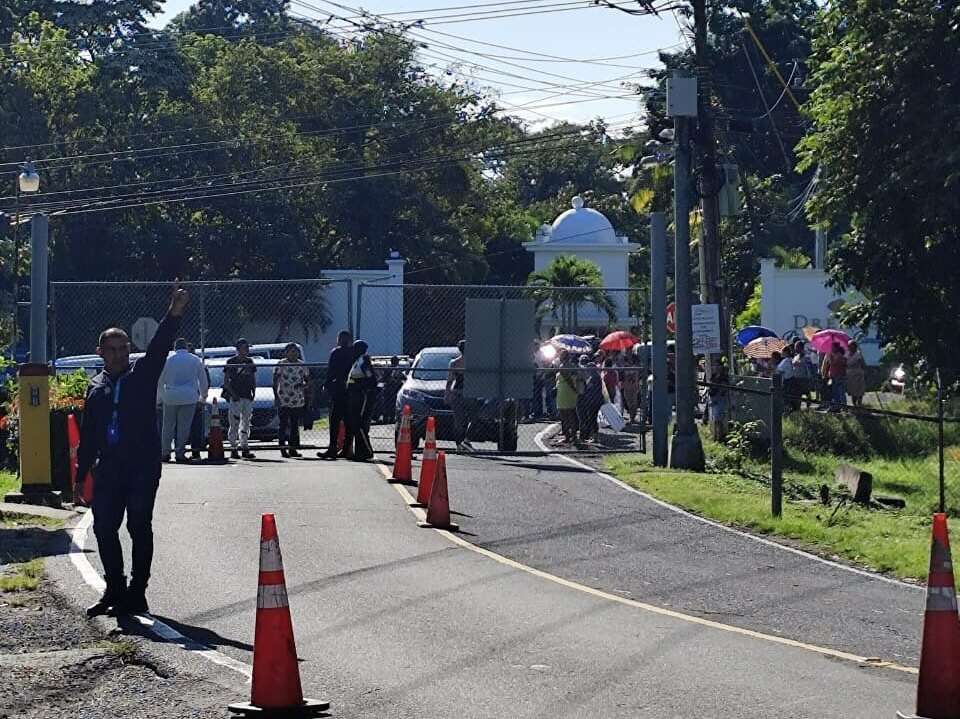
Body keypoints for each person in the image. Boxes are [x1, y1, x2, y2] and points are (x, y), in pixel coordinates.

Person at [76, 283, 190, 617]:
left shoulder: (142, 374)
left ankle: (137, 592)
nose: (118, 354)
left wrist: (174, 312)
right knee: (103, 527)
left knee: (138, 524)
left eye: (123, 348)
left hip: (141, 467)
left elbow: (159, 347)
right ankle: (114, 588)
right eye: (111, 349)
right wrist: (81, 476)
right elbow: (89, 435)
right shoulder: (95, 388)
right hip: (109, 468)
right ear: (100, 352)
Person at [158, 338, 209, 463]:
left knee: (167, 426)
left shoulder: (168, 360)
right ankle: (180, 453)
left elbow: (160, 381)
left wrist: (160, 398)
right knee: (183, 427)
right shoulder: (195, 360)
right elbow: (203, 380)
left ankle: (165, 452)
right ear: (186, 347)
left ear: (175, 347)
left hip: (170, 396)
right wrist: (203, 397)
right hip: (189, 396)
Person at [319, 330, 354, 459]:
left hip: (338, 389)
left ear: (339, 340)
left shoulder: (336, 352)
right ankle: (347, 449)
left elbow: (331, 371)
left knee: (335, 420)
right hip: (350, 390)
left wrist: (326, 385)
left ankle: (332, 447)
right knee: (348, 421)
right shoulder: (353, 353)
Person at [273, 343, 309, 458]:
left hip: (297, 399)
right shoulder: (281, 364)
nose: (294, 354)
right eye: (291, 351)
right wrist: (276, 397)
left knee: (294, 425)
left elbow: (308, 381)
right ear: (286, 353)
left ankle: (293, 448)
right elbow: (275, 381)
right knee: (283, 424)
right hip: (284, 398)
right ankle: (282, 448)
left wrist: (303, 386)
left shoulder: (302, 365)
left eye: (296, 351)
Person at [224, 338, 257, 459]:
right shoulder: (231, 361)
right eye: (243, 348)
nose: (246, 350)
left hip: (247, 395)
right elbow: (226, 381)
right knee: (234, 422)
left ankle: (245, 446)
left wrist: (254, 391)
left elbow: (253, 378)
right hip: (236, 396)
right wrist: (233, 394)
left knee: (246, 421)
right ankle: (233, 447)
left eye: (247, 348)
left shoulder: (250, 362)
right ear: (238, 349)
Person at [345, 340, 378, 461]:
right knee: (355, 423)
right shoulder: (358, 361)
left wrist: (360, 386)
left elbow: (371, 380)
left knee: (359, 424)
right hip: (354, 396)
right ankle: (359, 452)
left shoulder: (364, 361)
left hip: (361, 396)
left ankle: (366, 451)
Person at [445, 340, 475, 452]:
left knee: (459, 420)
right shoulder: (473, 362)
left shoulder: (454, 363)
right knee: (471, 418)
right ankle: (464, 442)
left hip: (457, 392)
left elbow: (449, 380)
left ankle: (460, 444)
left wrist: (447, 393)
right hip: (467, 393)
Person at [186, 343, 211, 459]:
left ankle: (195, 450)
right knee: (181, 426)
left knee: (196, 425)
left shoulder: (198, 363)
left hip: (195, 398)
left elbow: (205, 382)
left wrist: (202, 398)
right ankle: (179, 449)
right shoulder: (182, 363)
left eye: (192, 350)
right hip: (184, 398)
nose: (190, 352)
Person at [555, 351, 581, 444]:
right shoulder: (573, 366)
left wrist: (574, 389)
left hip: (565, 391)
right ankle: (572, 435)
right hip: (567, 391)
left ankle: (568, 436)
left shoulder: (563, 366)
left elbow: (568, 379)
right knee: (571, 414)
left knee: (565, 415)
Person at [577, 355, 604, 443]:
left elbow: (588, 388)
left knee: (592, 418)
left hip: (594, 401)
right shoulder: (594, 377)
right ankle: (593, 435)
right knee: (591, 418)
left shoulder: (594, 378)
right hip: (593, 401)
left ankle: (595, 437)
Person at [707, 358, 730, 441]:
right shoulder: (713, 375)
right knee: (715, 419)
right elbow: (710, 385)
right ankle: (716, 436)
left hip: (719, 399)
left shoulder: (723, 377)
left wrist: (718, 396)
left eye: (718, 365)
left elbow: (724, 388)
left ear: (721, 367)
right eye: (714, 365)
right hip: (713, 398)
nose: (716, 367)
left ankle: (720, 437)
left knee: (719, 419)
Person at [822, 342, 848, 411]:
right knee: (835, 392)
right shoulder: (834, 355)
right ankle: (837, 405)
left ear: (836, 348)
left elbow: (834, 363)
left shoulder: (839, 355)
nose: (832, 348)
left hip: (839, 376)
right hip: (833, 375)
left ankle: (844, 406)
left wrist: (830, 357)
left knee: (840, 392)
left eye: (833, 347)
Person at [620, 354, 641, 424]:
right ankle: (632, 418)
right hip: (627, 387)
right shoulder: (624, 368)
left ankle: (632, 418)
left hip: (634, 387)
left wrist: (637, 385)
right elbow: (622, 378)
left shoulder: (635, 368)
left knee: (634, 403)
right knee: (629, 403)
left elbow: (637, 378)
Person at [846, 340, 867, 407]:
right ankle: (854, 404)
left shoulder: (858, 354)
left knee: (859, 390)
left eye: (851, 346)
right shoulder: (847, 354)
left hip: (858, 375)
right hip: (850, 375)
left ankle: (859, 403)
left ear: (855, 347)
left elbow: (863, 364)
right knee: (852, 391)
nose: (849, 347)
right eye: (848, 346)